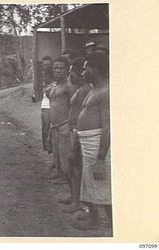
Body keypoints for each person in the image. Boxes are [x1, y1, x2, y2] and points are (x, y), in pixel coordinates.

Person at [74, 52, 111, 230]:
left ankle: (114, 226)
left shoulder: (106, 91)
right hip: (88, 143)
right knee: (89, 182)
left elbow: (108, 126)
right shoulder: (93, 90)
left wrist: (101, 158)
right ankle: (94, 219)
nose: (82, 73)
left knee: (103, 184)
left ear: (95, 69)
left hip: (97, 144)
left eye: (85, 69)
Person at [62, 57, 93, 213]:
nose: (70, 75)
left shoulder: (86, 90)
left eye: (72, 72)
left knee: (77, 168)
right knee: (72, 166)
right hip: (74, 132)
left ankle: (79, 202)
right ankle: (74, 197)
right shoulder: (79, 89)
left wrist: (77, 135)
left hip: (79, 133)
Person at [46, 56, 77, 192]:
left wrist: (69, 125)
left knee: (66, 158)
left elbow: (73, 107)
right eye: (55, 68)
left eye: (61, 68)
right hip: (55, 126)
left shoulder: (69, 86)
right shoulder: (55, 86)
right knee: (57, 153)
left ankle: (69, 183)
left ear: (67, 70)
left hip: (65, 126)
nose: (58, 71)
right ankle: (60, 175)